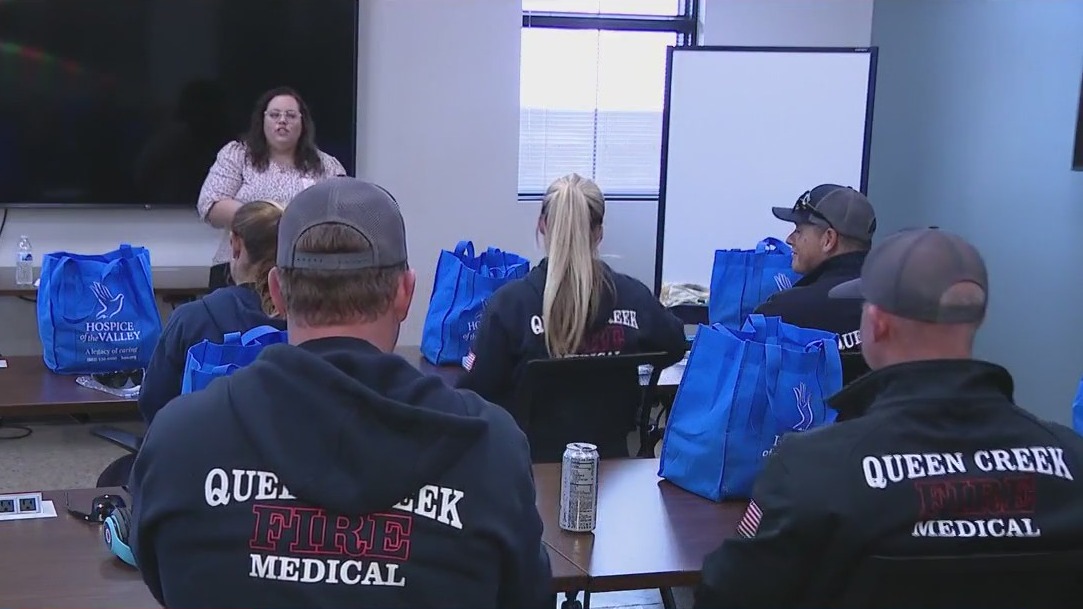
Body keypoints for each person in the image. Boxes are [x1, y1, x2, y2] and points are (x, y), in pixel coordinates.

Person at [129, 177, 552, 609]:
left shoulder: (179, 439)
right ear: (405, 293)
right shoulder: (491, 448)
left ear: (275, 291)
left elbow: (162, 575)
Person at [693, 228, 1083, 609]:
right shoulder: (1072, 460)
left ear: (876, 324)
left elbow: (724, 595)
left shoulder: (812, 467)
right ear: (975, 320)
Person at [457, 173, 688, 461]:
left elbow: (475, 395)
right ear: (599, 232)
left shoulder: (510, 306)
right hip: (612, 472)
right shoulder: (633, 297)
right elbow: (675, 344)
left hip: (527, 474)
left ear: (542, 224)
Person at [138, 199, 286, 426]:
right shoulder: (307, 321)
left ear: (236, 245)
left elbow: (154, 405)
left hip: (200, 455)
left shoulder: (191, 319)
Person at [197, 86, 347, 289]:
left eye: (291, 115)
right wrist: (270, 219)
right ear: (262, 121)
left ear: (303, 122)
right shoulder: (238, 155)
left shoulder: (327, 165)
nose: (282, 121)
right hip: (240, 269)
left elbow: (343, 215)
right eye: (275, 115)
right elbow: (211, 204)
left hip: (304, 272)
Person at [755, 184, 877, 386]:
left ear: (828, 239)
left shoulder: (782, 312)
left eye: (798, 230)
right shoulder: (900, 307)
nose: (789, 239)